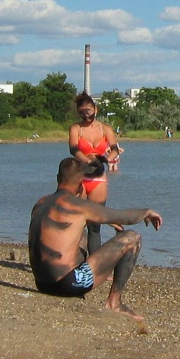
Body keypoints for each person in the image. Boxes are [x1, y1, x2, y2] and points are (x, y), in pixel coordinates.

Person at [28, 158, 162, 321]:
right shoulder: (79, 205)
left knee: (82, 236)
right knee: (133, 238)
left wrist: (104, 219)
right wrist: (147, 212)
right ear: (80, 182)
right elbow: (126, 217)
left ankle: (79, 294)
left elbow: (67, 224)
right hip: (68, 285)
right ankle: (115, 302)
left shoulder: (40, 203)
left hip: (42, 284)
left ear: (58, 178)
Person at [68, 92, 122, 252]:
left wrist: (107, 159)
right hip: (80, 176)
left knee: (94, 224)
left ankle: (93, 265)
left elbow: (114, 149)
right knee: (76, 219)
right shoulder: (76, 128)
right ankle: (71, 258)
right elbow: (73, 149)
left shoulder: (105, 129)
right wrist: (87, 160)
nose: (86, 115)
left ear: (95, 109)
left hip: (98, 178)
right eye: (82, 112)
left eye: (89, 110)